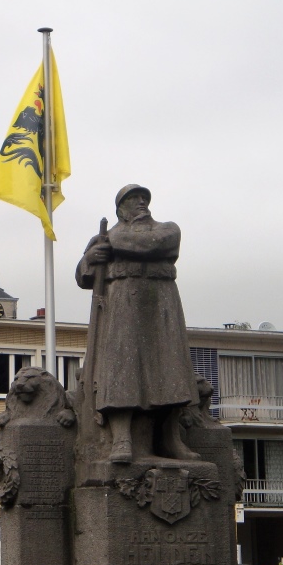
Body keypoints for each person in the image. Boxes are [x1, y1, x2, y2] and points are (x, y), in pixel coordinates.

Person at [75, 184, 199, 463]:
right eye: (133, 199)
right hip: (122, 304)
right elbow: (84, 277)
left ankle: (171, 439)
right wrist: (89, 259)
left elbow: (152, 245)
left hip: (161, 302)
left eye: (144, 198)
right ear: (121, 208)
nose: (141, 202)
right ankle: (121, 438)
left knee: (171, 370)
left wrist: (110, 243)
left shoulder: (166, 229)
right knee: (121, 369)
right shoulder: (105, 237)